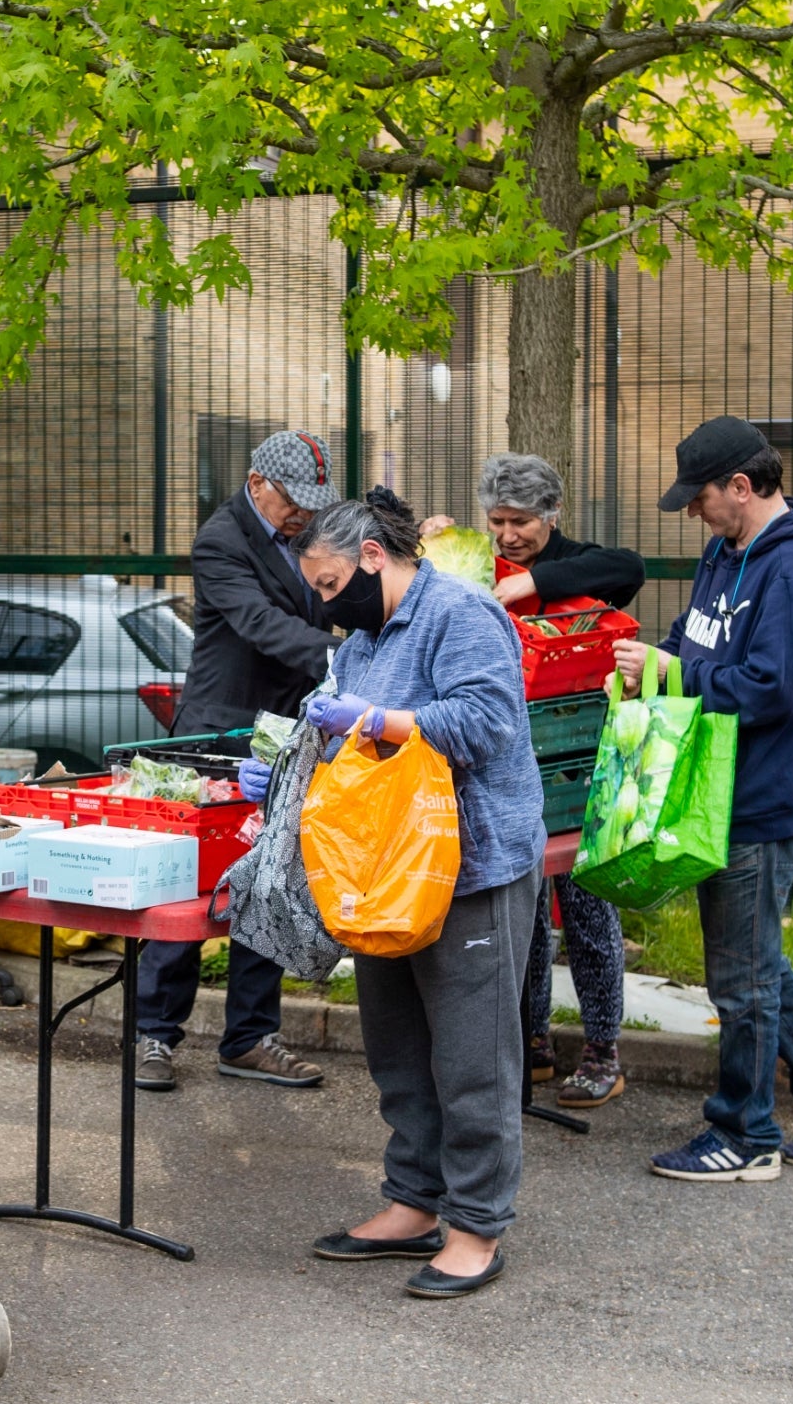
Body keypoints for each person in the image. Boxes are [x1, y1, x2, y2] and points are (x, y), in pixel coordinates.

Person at [617, 417, 793, 1182]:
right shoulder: (726, 549)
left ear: (742, 485)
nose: (694, 512)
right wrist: (662, 657)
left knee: (740, 979)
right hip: (721, 788)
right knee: (753, 964)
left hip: (761, 793)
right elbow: (699, 637)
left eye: (701, 497)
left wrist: (672, 677)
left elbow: (776, 684)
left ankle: (747, 1132)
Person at [297, 487, 544, 1300]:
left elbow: (485, 723)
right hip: (387, 869)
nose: (328, 606)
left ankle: (476, 1224)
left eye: (332, 585)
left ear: (372, 555)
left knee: (474, 1054)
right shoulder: (365, 635)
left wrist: (377, 720)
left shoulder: (463, 613)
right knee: (398, 1046)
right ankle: (413, 1200)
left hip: (471, 864)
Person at [139, 430, 338, 1095]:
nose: (303, 514)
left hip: (283, 734)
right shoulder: (221, 540)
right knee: (189, 882)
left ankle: (250, 1036)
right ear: (257, 484)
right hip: (219, 732)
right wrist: (344, 661)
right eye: (292, 501)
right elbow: (260, 623)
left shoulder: (303, 535)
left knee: (270, 878)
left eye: (312, 502)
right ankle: (154, 1033)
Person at [467, 453, 645, 1109]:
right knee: (529, 915)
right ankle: (534, 1039)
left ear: (552, 516)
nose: (509, 535)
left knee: (589, 907)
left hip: (582, 764)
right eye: (497, 521)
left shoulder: (580, 561)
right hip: (516, 766)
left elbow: (629, 568)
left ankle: (603, 1049)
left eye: (521, 522)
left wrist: (530, 582)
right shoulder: (482, 569)